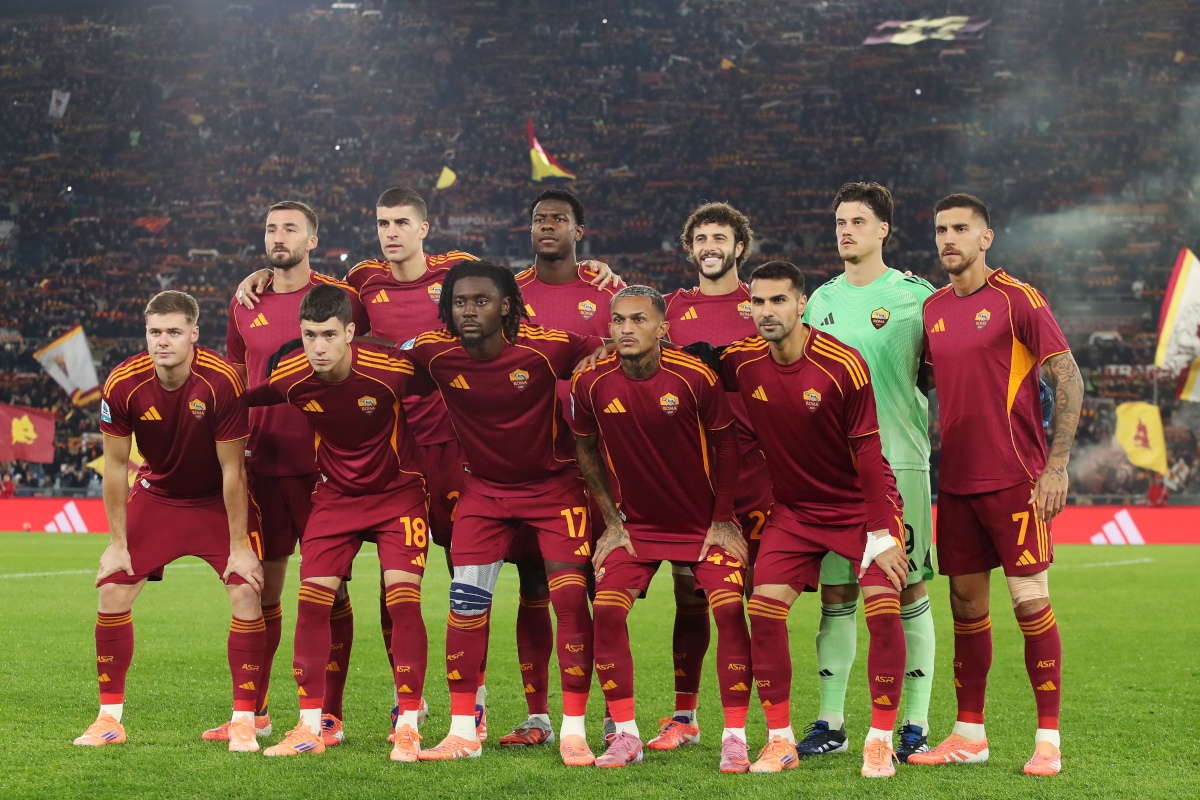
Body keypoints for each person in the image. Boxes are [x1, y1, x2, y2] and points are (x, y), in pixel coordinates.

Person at [236, 187, 619, 743]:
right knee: (421, 581)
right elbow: (325, 312)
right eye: (381, 222)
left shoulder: (459, 271)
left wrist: (590, 269)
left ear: (423, 227)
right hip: (401, 452)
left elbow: (512, 293)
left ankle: (562, 714)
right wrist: (263, 277)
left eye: (400, 222)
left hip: (472, 447)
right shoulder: (362, 281)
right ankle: (414, 706)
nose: (390, 232)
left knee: (535, 580)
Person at [692, 260, 909, 778]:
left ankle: (880, 740)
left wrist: (880, 531)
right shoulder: (742, 361)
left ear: (801, 304)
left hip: (861, 508)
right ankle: (780, 739)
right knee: (764, 613)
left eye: (778, 301)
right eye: (758, 303)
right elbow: (688, 359)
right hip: (795, 512)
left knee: (882, 610)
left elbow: (869, 451)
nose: (766, 312)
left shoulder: (843, 364)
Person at [907, 194, 1082, 777]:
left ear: (986, 238)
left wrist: (1055, 467)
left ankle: (1049, 739)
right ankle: (969, 733)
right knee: (965, 607)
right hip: (954, 483)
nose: (948, 238)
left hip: (1016, 481)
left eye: (961, 228)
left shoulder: (1018, 300)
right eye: (940, 230)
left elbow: (1069, 377)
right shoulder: (931, 309)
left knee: (1030, 602)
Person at [402, 261, 604, 765]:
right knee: (465, 605)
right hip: (483, 496)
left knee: (570, 603)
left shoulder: (547, 346)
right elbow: (380, 359)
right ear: (446, 309)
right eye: (460, 302)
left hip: (554, 491)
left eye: (482, 301)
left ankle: (573, 729)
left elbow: (602, 350)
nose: (470, 311)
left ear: (507, 305)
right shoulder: (434, 352)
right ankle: (462, 730)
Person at [247, 285, 433, 761]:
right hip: (335, 497)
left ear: (351, 332)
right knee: (311, 605)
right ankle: (310, 726)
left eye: (330, 335)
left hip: (398, 494)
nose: (319, 347)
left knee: (402, 601)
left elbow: (450, 375)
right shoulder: (293, 377)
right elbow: (248, 398)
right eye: (310, 335)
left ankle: (409, 723)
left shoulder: (391, 369)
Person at [75, 291, 266, 753]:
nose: (163, 341)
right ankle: (109, 718)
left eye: (174, 332)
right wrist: (117, 543)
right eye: (155, 332)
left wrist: (239, 545)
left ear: (194, 335)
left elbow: (232, 470)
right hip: (158, 495)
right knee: (113, 586)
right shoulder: (123, 382)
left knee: (245, 589)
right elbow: (116, 466)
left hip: (214, 501)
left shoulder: (220, 381)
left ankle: (245, 720)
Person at [572, 285, 753, 772]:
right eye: (617, 320)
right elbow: (585, 451)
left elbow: (727, 448)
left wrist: (721, 518)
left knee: (730, 611)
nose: (626, 329)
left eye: (637, 319)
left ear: (663, 329)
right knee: (606, 614)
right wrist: (611, 521)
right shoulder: (591, 383)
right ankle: (625, 735)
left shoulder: (696, 378)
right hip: (638, 528)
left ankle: (734, 736)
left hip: (702, 526)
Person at [216, 200, 370, 748]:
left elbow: (366, 366)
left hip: (327, 468)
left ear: (313, 239)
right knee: (262, 590)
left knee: (331, 593)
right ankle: (252, 712)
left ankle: (330, 714)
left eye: (290, 229)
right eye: (270, 228)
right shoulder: (244, 301)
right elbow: (236, 381)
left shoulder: (339, 298)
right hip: (262, 465)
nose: (278, 236)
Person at [797, 183, 938, 761]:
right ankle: (831, 723)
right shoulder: (817, 302)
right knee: (836, 592)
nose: (845, 230)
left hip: (900, 462)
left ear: (883, 229)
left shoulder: (915, 297)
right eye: (839, 222)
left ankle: (916, 724)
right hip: (834, 475)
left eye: (857, 220)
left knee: (905, 587)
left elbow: (939, 372)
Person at [501, 188, 625, 747]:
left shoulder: (606, 291)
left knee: (599, 587)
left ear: (580, 229)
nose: (547, 225)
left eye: (559, 219)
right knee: (533, 585)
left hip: (595, 462)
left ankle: (609, 712)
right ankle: (539, 715)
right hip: (527, 464)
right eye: (538, 219)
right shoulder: (509, 295)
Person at [649, 201, 774, 752]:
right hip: (698, 473)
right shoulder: (672, 309)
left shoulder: (766, 302)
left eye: (720, 236)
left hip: (765, 470)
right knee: (692, 599)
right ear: (690, 247)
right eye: (700, 237)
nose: (710, 245)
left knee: (760, 602)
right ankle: (685, 715)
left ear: (739, 246)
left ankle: (766, 723)